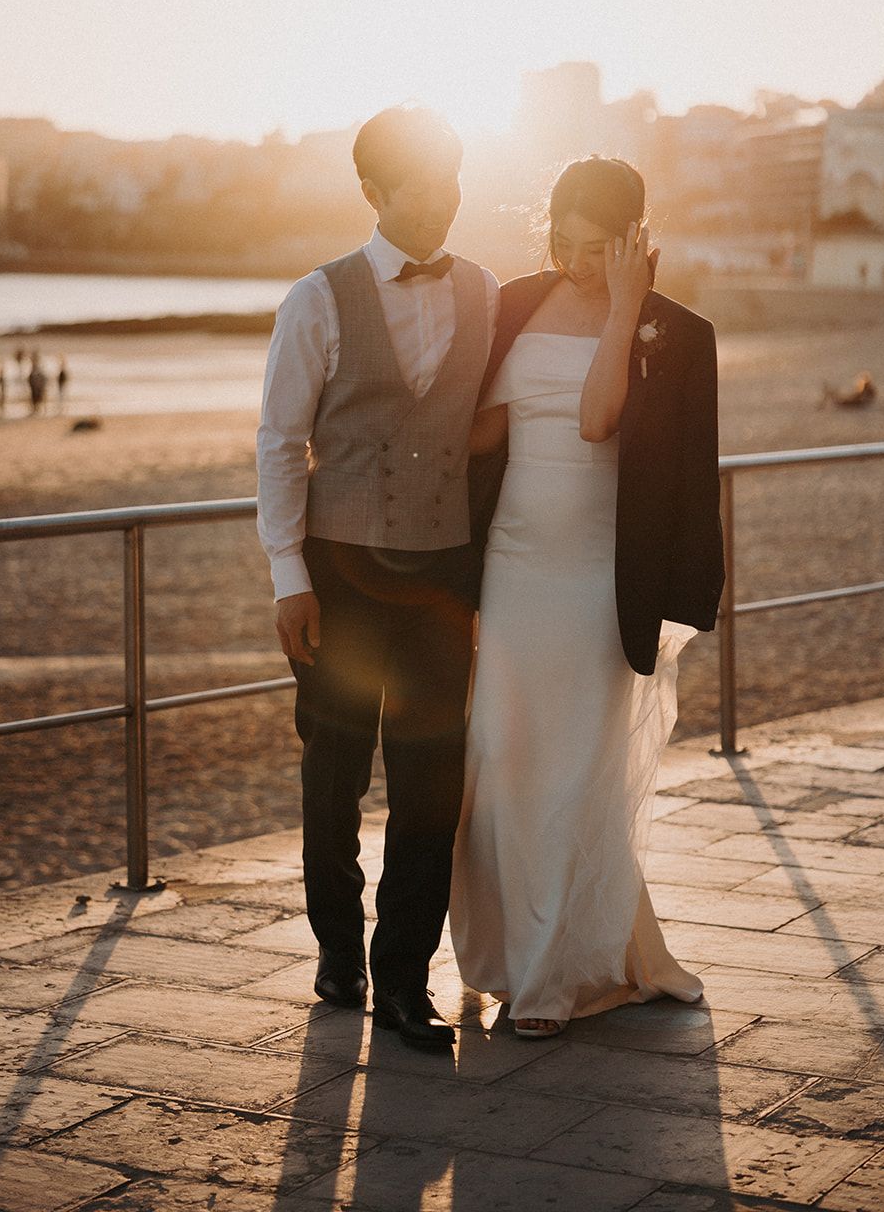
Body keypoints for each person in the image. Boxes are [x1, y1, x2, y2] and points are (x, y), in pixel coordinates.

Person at [451, 157, 725, 1037]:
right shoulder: (514, 304)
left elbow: (599, 420)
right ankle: (507, 956)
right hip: (512, 562)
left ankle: (551, 979)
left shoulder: (674, 331)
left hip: (599, 579)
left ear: (634, 238)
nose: (572, 260)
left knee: (576, 771)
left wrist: (620, 307)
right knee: (503, 756)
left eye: (595, 247)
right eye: (560, 240)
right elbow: (487, 427)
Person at [256, 105, 498, 1049]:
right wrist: (288, 577)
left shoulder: (483, 290)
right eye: (420, 191)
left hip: (443, 576)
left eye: (452, 187)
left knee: (432, 779)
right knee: (333, 773)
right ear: (372, 193)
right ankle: (336, 951)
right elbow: (280, 443)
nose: (442, 207)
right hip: (341, 575)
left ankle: (404, 980)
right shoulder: (317, 299)